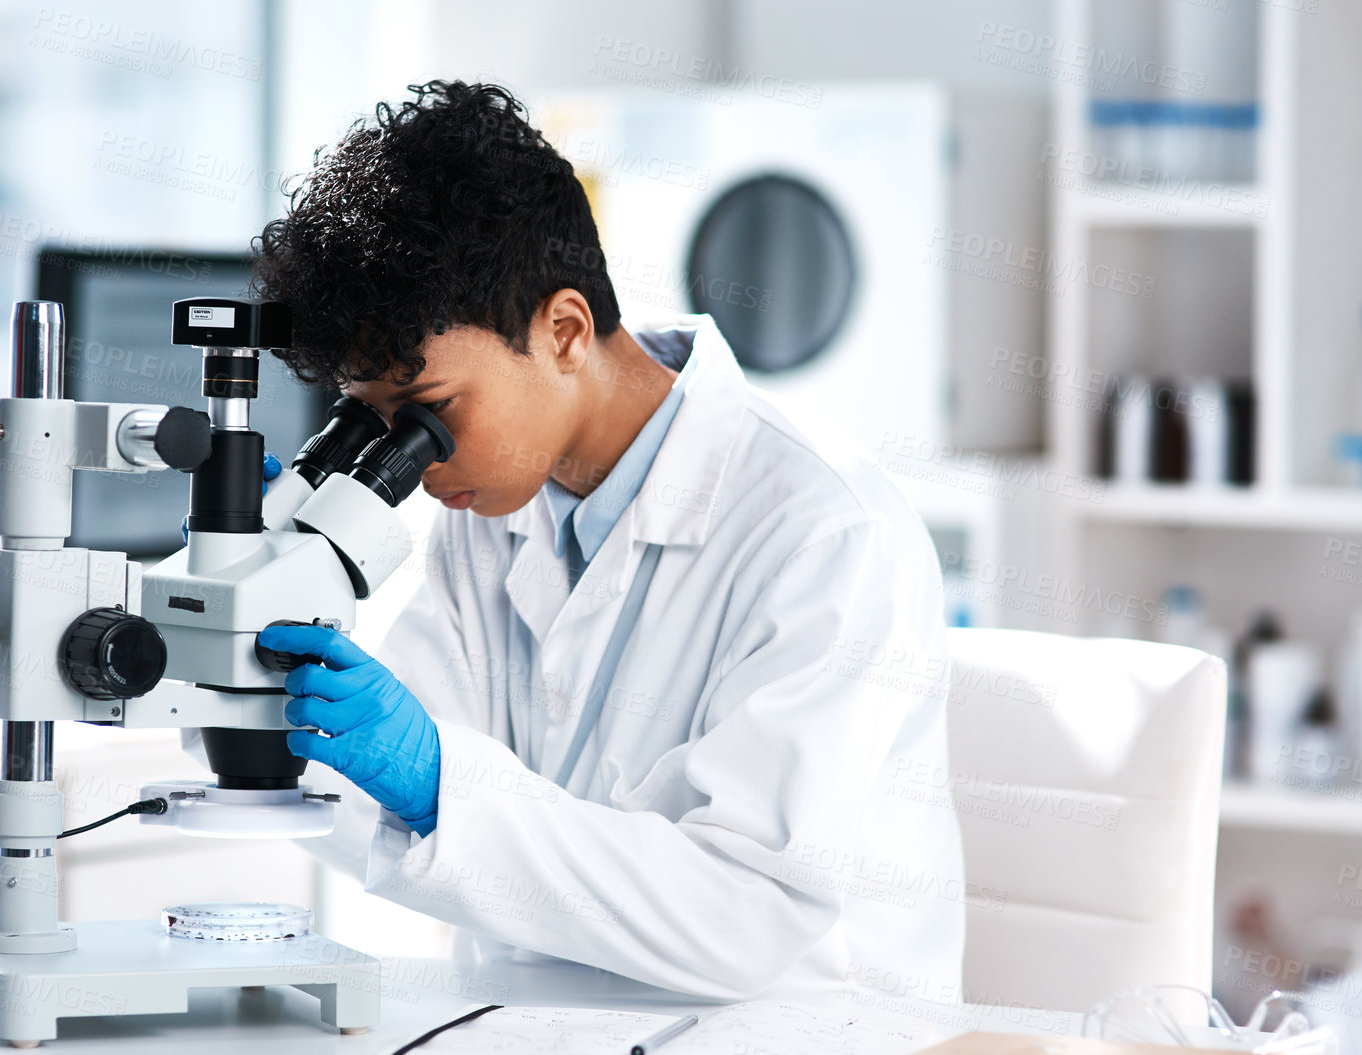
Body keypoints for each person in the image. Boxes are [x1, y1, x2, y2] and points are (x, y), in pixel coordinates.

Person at [251, 80, 965, 1004]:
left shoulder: (824, 530)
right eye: (373, 423)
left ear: (563, 330)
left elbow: (746, 910)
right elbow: (372, 804)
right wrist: (241, 674)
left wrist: (440, 786)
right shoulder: (491, 516)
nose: (410, 463)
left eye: (427, 417)